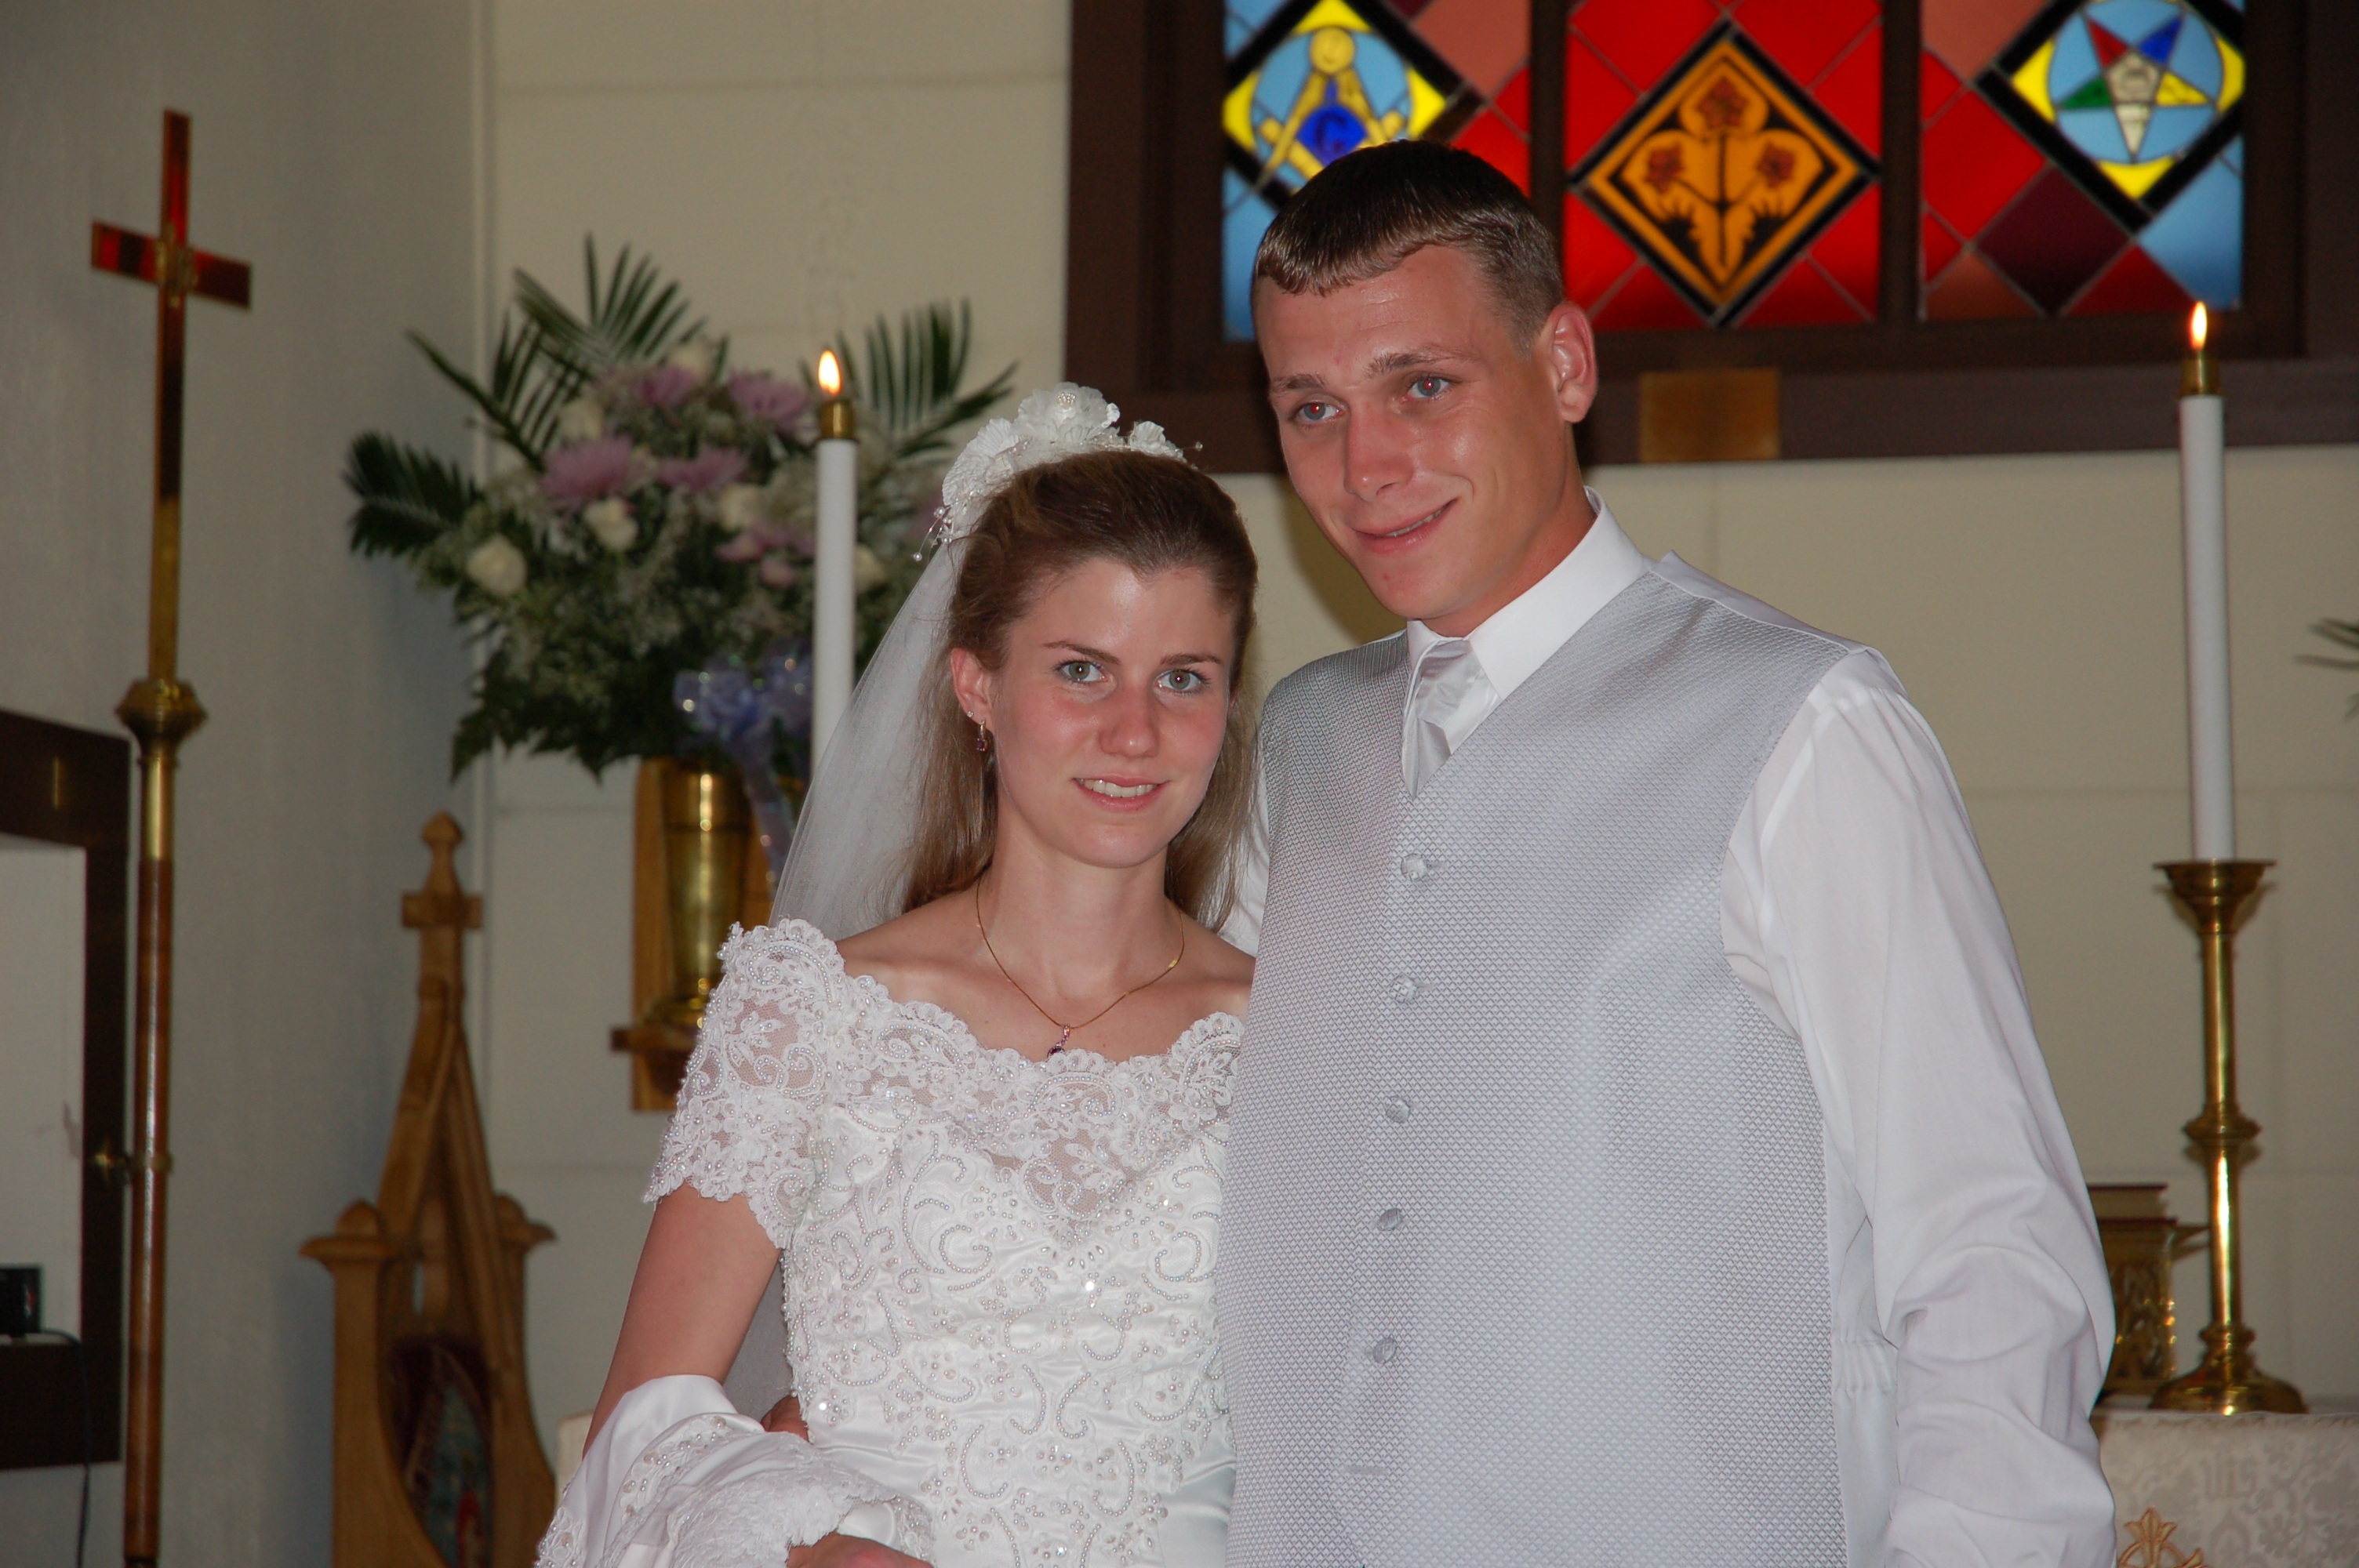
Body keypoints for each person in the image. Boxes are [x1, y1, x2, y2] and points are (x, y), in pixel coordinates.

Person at [1212, 140, 2118, 1566]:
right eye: (1310, 408)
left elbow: (1990, 1248)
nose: (1364, 466)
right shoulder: (1297, 743)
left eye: (1423, 386)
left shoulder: (1805, 726)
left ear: (1566, 365)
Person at [538, 387, 1259, 1568]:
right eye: (1082, 670)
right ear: (977, 685)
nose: (1135, 732)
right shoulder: (810, 1013)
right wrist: (813, 1539)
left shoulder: (1288, 1034)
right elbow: (642, 1428)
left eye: (1184, 678)